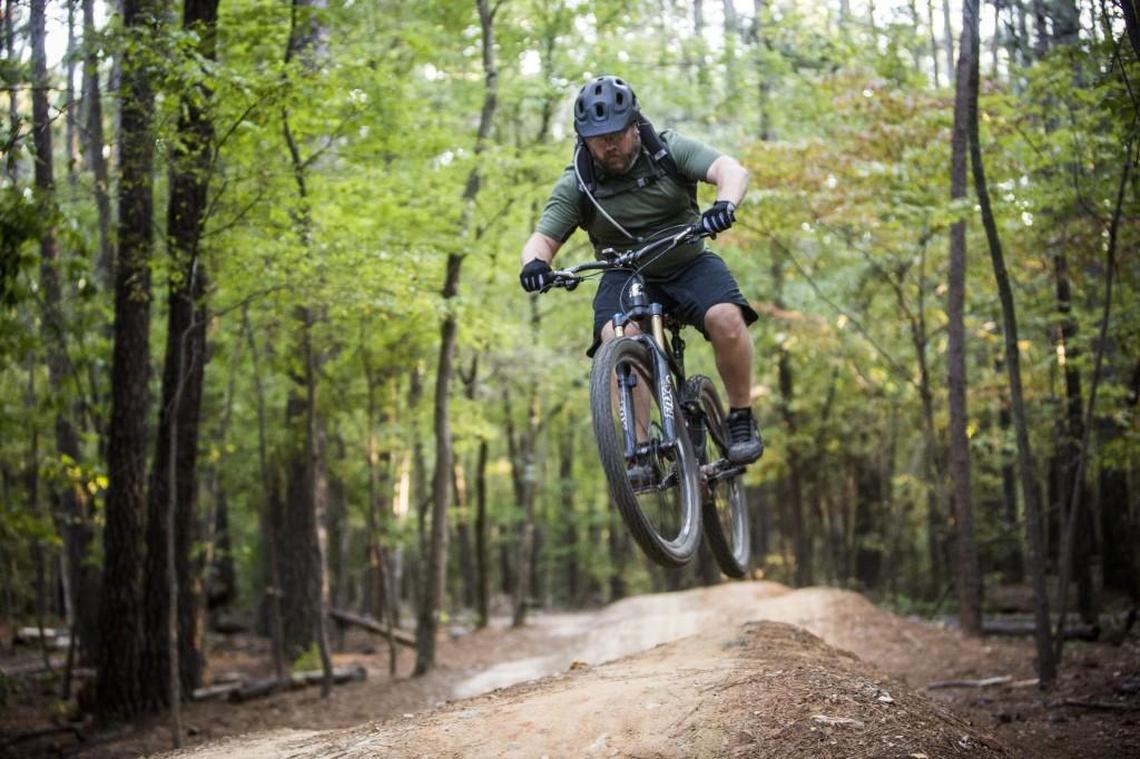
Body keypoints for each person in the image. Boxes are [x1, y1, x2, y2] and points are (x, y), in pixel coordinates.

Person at [518, 74, 762, 465]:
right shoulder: (578, 182)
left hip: (687, 260)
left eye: (617, 133)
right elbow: (542, 239)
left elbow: (731, 170)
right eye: (599, 139)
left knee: (726, 319)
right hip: (625, 272)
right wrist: (535, 264)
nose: (610, 145)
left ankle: (741, 417)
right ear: (584, 140)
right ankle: (641, 446)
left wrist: (724, 205)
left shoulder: (666, 150)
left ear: (634, 125)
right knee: (617, 335)